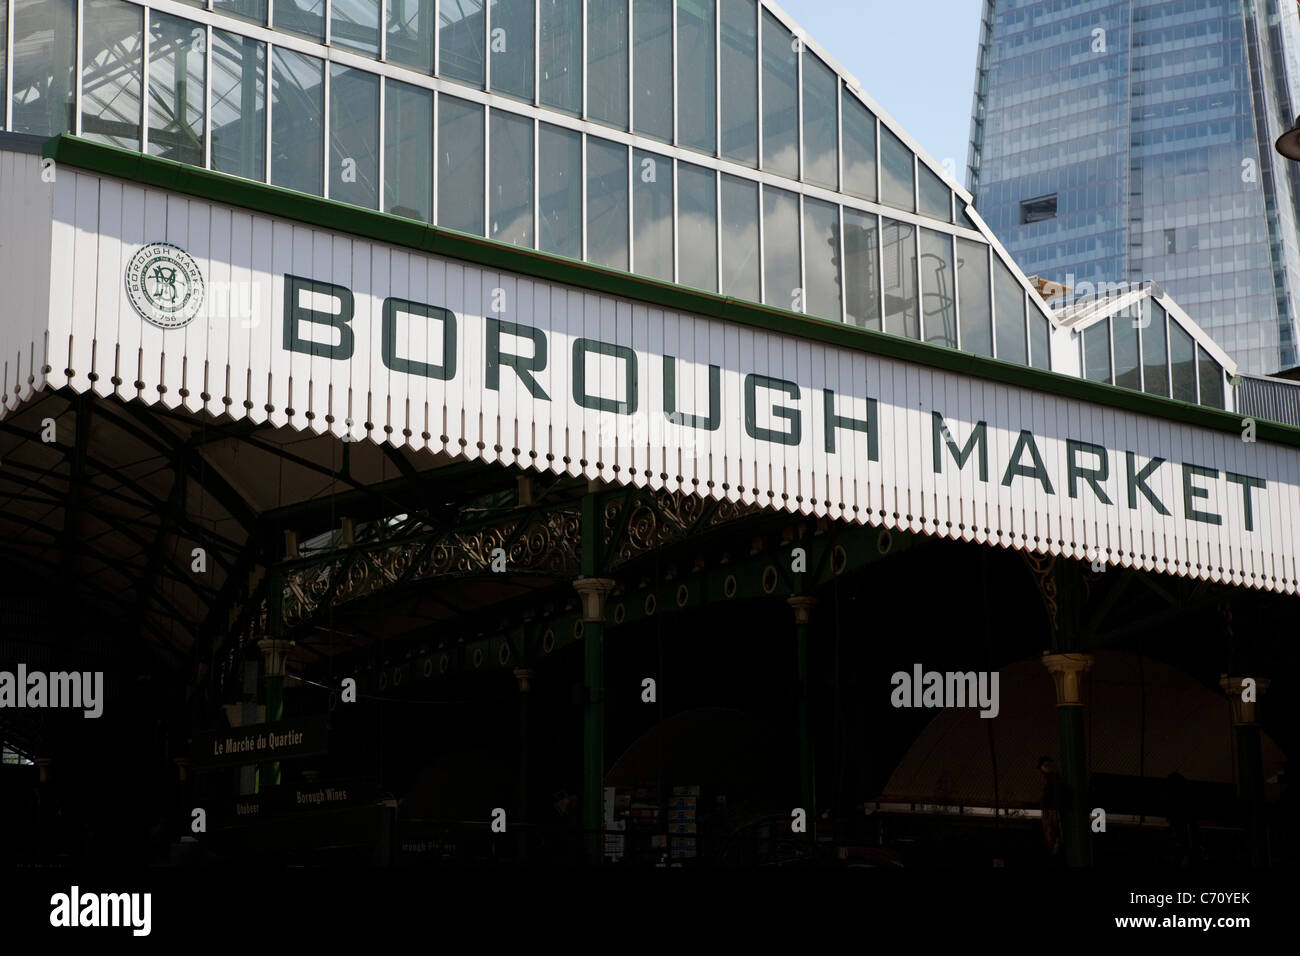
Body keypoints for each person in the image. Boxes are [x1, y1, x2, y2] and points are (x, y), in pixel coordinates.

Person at [1038, 756, 1064, 863]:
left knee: (1052, 832)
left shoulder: (1053, 782)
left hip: (1052, 810)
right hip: (1050, 810)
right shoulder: (1052, 781)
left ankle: (1055, 846)